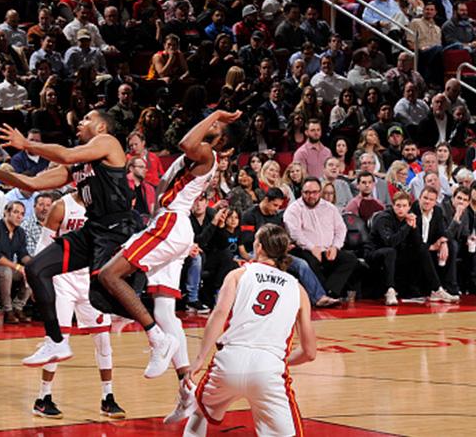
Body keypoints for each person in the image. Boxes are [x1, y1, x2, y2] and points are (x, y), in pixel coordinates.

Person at [0, 111, 149, 369]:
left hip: (119, 228)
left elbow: (66, 153)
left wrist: (27, 144)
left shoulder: (108, 142)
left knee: (116, 296)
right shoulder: (77, 167)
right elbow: (30, 183)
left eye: (87, 119)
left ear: (100, 127)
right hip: (96, 232)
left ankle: (157, 334)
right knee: (35, 268)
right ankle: (56, 340)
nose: (80, 123)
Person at [101, 110, 242, 382]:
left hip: (171, 223)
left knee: (110, 274)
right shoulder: (201, 155)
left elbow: (185, 143)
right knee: (165, 312)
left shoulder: (206, 154)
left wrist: (217, 113)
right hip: (172, 225)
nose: (210, 124)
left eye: (216, 125)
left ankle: (157, 340)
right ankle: (186, 390)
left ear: (223, 142)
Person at [177, 224, 316, 437]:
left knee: (200, 409)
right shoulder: (298, 290)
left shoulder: (238, 275)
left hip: (229, 362)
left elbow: (218, 315)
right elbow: (309, 352)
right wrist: (277, 363)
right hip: (269, 368)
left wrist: (199, 359)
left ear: (258, 247)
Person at [31, 190, 125, 419]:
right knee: (57, 339)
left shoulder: (104, 207)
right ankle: (43, 398)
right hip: (62, 278)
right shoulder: (62, 207)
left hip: (90, 279)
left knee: (103, 340)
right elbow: (43, 247)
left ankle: (108, 397)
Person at [284, 178, 359, 299]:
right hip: (304, 249)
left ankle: (330, 292)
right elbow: (295, 233)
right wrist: (312, 248)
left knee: (350, 259)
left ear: (320, 192)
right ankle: (321, 296)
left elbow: (341, 229)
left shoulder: (330, 208)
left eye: (314, 192)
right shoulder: (294, 209)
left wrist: (335, 247)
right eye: (307, 192)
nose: (311, 196)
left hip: (328, 249)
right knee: (311, 262)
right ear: (302, 192)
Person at [0, 201, 33, 323]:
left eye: (22, 214)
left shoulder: (20, 232)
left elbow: (23, 255)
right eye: (15, 212)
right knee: (6, 271)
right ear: (6, 212)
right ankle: (7, 311)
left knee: (32, 272)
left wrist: (33, 265)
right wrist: (18, 267)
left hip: (7, 266)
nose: (19, 216)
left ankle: (18, 307)